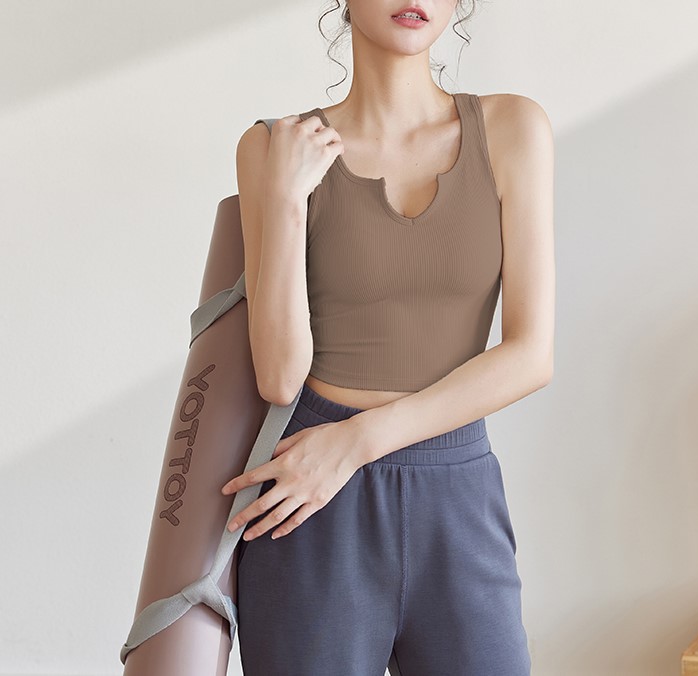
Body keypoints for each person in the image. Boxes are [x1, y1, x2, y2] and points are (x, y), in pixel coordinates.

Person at [224, 0, 554, 673]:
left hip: (456, 498)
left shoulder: (514, 129)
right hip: (311, 505)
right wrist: (286, 199)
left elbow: (530, 355)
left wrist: (358, 442)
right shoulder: (275, 147)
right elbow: (280, 377)